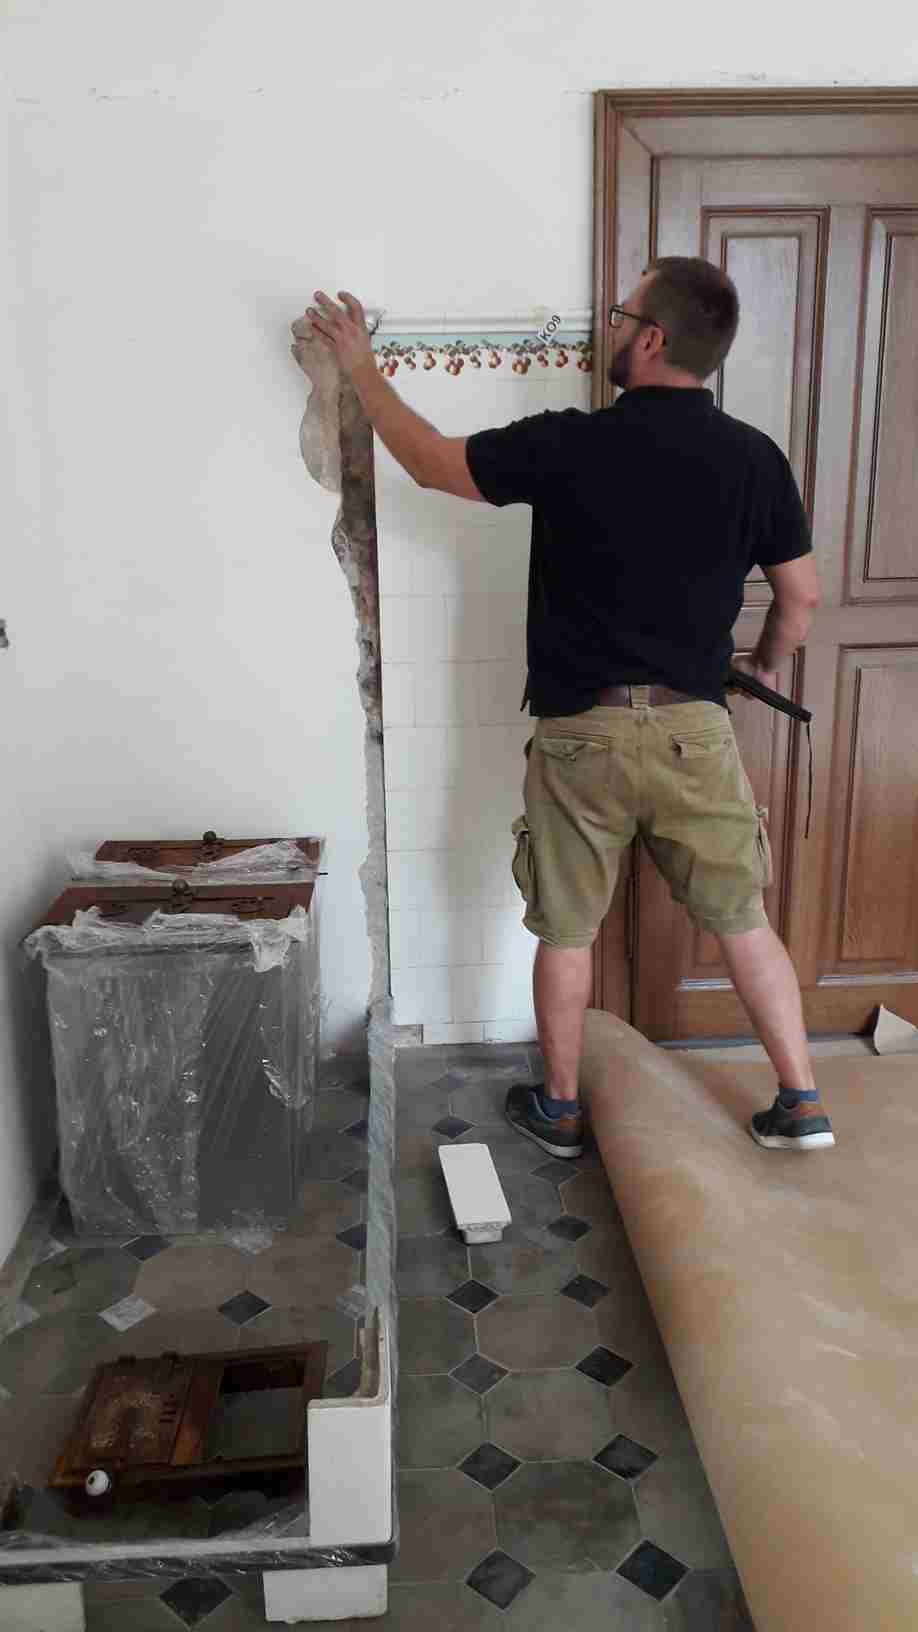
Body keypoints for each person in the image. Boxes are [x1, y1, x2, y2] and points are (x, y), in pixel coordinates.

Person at [302, 261, 834, 1165]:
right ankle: (802, 1102)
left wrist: (360, 369)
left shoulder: (572, 442)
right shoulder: (755, 457)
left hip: (582, 733)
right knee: (742, 916)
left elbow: (429, 463)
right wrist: (762, 663)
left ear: (653, 338)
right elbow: (802, 596)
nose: (611, 328)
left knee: (567, 928)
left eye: (622, 315)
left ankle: (559, 1110)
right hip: (693, 729)